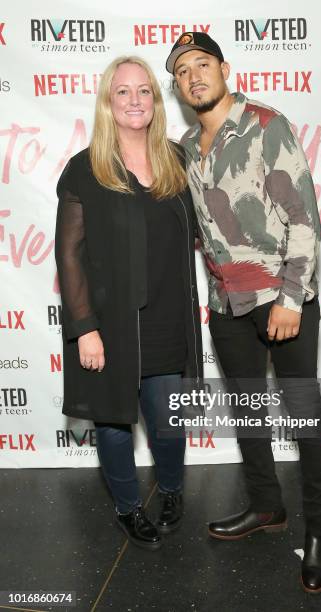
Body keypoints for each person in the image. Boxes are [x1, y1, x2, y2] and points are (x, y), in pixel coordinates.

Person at [165, 33, 321, 592]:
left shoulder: (266, 124)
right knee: (249, 414)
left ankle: (319, 532)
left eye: (202, 64)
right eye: (183, 70)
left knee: (305, 419)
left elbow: (304, 217)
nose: (194, 76)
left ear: (224, 68)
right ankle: (267, 507)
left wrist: (290, 297)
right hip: (225, 304)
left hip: (280, 300)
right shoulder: (187, 147)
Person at [55, 55, 203, 551]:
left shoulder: (178, 161)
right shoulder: (85, 169)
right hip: (110, 326)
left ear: (156, 103)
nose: (135, 100)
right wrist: (84, 328)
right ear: (108, 102)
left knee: (166, 422)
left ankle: (173, 492)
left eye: (145, 91)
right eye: (123, 91)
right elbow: (69, 256)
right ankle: (125, 507)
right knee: (115, 427)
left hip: (168, 320)